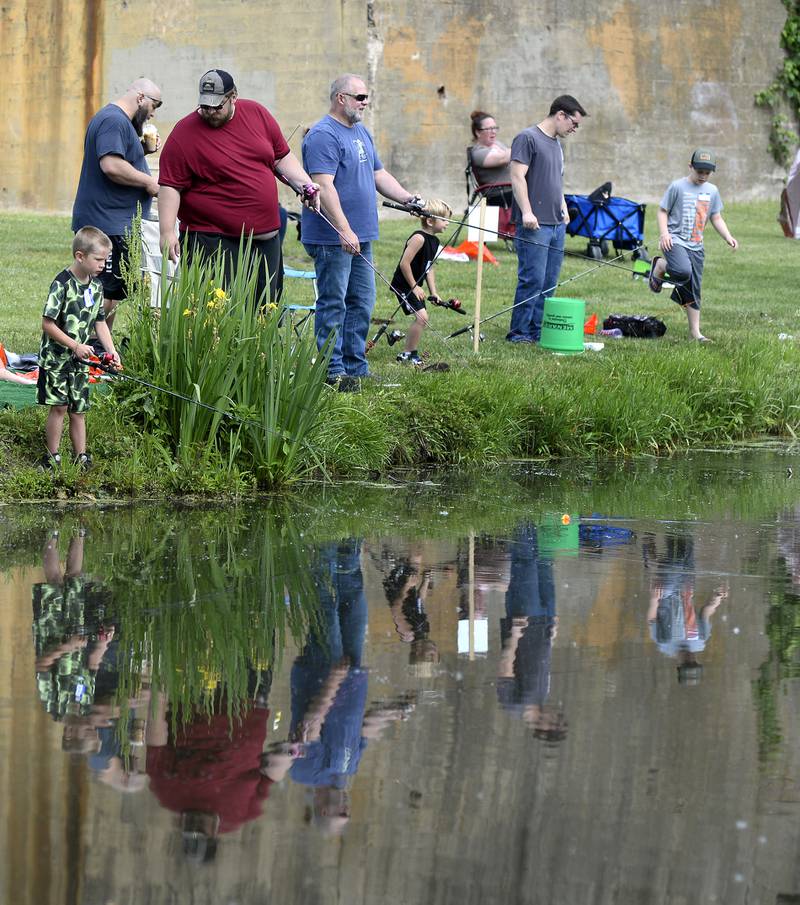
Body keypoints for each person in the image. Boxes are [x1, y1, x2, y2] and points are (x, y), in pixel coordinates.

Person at [158, 69, 320, 308]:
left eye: (217, 106)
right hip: (214, 241)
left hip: (265, 241)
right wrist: (166, 231)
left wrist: (305, 184)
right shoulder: (184, 133)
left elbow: (280, 157)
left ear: (233, 97)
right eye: (205, 106)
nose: (210, 112)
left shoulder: (257, 114)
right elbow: (170, 186)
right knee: (216, 314)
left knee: (265, 311)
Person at [301, 74, 422, 389]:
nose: (365, 103)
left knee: (362, 302)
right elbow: (323, 186)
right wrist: (344, 229)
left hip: (361, 236)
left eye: (367, 97)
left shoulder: (361, 133)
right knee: (334, 302)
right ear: (341, 98)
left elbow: (379, 174)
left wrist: (410, 200)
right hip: (333, 237)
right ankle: (332, 372)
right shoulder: (323, 135)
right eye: (360, 97)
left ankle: (355, 367)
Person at [71, 78, 162, 327]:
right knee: (105, 293)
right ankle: (93, 348)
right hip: (107, 224)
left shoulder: (119, 122)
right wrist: (149, 183)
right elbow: (110, 165)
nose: (154, 113)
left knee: (110, 292)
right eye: (156, 104)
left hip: (113, 222)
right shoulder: (114, 120)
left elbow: (117, 157)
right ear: (141, 98)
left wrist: (141, 151)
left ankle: (102, 348)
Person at [507, 95, 587, 344]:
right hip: (535, 224)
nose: (574, 129)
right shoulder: (527, 138)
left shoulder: (557, 145)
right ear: (560, 115)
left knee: (549, 282)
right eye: (574, 123)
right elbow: (517, 176)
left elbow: (556, 181)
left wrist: (563, 207)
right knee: (532, 279)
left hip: (555, 224)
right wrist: (528, 212)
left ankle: (536, 329)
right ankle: (519, 332)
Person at [38, 227, 121, 470]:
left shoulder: (96, 287)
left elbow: (100, 322)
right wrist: (75, 345)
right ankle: (52, 457)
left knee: (79, 409)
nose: (103, 265)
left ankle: (81, 457)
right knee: (60, 407)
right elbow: (47, 323)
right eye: (98, 259)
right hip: (57, 359)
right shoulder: (62, 284)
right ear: (80, 256)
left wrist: (112, 350)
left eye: (106, 260)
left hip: (81, 361)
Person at [648, 149, 738, 342]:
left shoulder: (712, 191)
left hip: (696, 245)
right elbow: (662, 211)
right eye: (699, 172)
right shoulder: (677, 187)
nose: (703, 176)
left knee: (693, 289)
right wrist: (664, 233)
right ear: (690, 167)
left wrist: (728, 236)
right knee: (682, 272)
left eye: (707, 173)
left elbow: (716, 216)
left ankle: (695, 333)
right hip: (674, 240)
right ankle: (661, 265)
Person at [389, 199, 452, 366]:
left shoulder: (435, 241)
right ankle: (408, 353)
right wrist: (414, 286)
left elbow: (429, 268)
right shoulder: (419, 238)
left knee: (422, 318)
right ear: (430, 221)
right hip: (403, 285)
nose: (448, 223)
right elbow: (404, 263)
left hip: (414, 286)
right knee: (422, 317)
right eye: (444, 220)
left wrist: (434, 292)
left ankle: (409, 351)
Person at [468, 110, 512, 205]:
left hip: (512, 192)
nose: (493, 132)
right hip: (500, 197)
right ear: (478, 133)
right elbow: (503, 159)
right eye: (489, 129)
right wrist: (524, 146)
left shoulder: (498, 144)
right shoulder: (478, 152)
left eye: (495, 128)